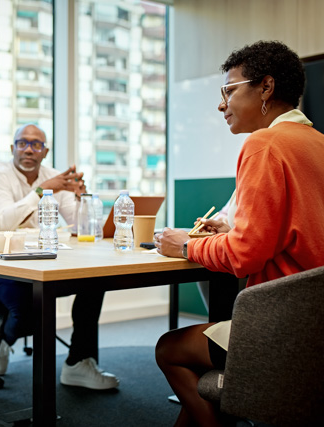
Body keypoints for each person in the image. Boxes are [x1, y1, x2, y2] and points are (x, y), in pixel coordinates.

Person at [154, 41, 324, 426]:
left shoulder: (265, 144)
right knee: (203, 390)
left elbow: (245, 256)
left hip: (281, 327)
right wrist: (230, 231)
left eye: (229, 91)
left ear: (265, 87)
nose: (221, 104)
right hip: (316, 326)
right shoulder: (318, 143)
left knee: (168, 348)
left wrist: (185, 246)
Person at [0, 123, 119, 390]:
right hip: (5, 267)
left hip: (48, 261)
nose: (29, 149)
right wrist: (42, 191)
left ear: (45, 151)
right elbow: (2, 222)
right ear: (12, 148)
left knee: (95, 279)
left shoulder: (55, 176)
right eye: (22, 143)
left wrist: (81, 199)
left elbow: (80, 228)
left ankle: (77, 363)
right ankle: (2, 341)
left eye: (36, 144)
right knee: (28, 315)